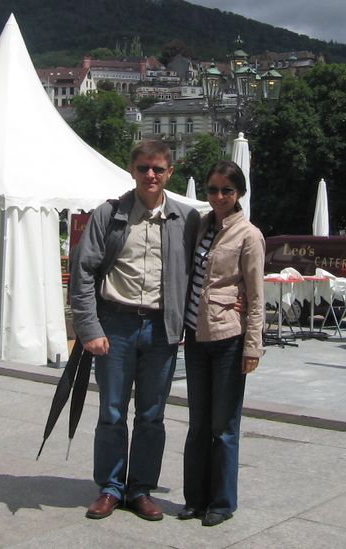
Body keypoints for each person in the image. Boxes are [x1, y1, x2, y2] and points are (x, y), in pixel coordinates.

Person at [70, 140, 200, 521]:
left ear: (170, 172)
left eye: (158, 168)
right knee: (112, 411)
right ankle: (111, 488)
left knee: (152, 415)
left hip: (161, 328)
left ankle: (140, 489)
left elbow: (204, 270)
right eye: (144, 168)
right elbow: (83, 271)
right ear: (132, 170)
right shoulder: (109, 214)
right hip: (116, 324)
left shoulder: (186, 219)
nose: (150, 175)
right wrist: (89, 327)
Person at [177, 160, 265, 527]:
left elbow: (256, 297)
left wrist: (253, 345)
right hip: (197, 336)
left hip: (229, 337)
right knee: (198, 424)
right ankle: (195, 500)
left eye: (226, 190)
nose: (218, 196)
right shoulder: (201, 225)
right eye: (213, 189)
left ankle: (222, 502)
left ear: (239, 193)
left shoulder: (249, 235)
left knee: (224, 427)